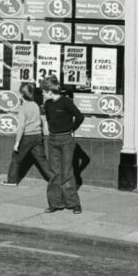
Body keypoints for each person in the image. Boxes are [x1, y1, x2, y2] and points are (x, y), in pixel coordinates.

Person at [40, 75, 85, 214]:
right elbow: (49, 118)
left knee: (66, 172)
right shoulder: (48, 104)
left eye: (43, 91)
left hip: (66, 140)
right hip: (52, 140)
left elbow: (79, 116)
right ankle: (55, 203)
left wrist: (72, 129)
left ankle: (74, 204)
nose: (42, 94)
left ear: (49, 91)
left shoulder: (66, 102)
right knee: (54, 173)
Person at [1, 83, 52, 187]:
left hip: (27, 137)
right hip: (38, 136)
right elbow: (36, 119)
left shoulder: (23, 107)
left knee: (16, 159)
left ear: (21, 95)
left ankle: (11, 180)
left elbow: (21, 126)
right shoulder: (35, 105)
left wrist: (17, 142)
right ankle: (55, 179)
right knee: (42, 160)